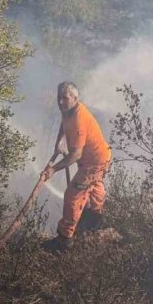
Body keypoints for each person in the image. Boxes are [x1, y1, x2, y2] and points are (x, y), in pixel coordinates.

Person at [40, 81, 112, 251]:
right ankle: (95, 218)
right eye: (59, 97)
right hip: (101, 157)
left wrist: (52, 169)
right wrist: (59, 142)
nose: (60, 102)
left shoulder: (79, 119)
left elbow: (76, 155)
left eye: (64, 98)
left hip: (93, 163)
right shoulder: (68, 110)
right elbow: (63, 123)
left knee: (72, 195)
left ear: (75, 98)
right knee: (96, 187)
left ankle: (64, 239)